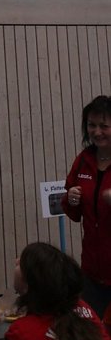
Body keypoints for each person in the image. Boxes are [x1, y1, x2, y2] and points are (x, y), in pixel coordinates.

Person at [2, 242, 111, 340]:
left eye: (21, 263)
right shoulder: (84, 309)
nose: (16, 261)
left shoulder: (21, 334)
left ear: (29, 283)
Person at [62, 95, 111, 320]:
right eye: (92, 125)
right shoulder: (83, 160)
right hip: (92, 271)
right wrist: (71, 199)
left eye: (104, 126)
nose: (97, 132)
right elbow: (73, 212)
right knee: (89, 335)